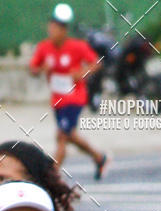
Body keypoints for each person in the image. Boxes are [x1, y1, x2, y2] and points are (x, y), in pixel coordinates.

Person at [30, 3, 108, 177]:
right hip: (57, 99)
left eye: (56, 28)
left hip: (75, 97)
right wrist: (43, 68)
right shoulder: (44, 48)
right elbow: (33, 69)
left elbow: (97, 63)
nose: (52, 32)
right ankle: (98, 157)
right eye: (50, 27)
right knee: (69, 135)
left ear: (63, 30)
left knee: (62, 135)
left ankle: (52, 175)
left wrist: (82, 73)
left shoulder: (77, 46)